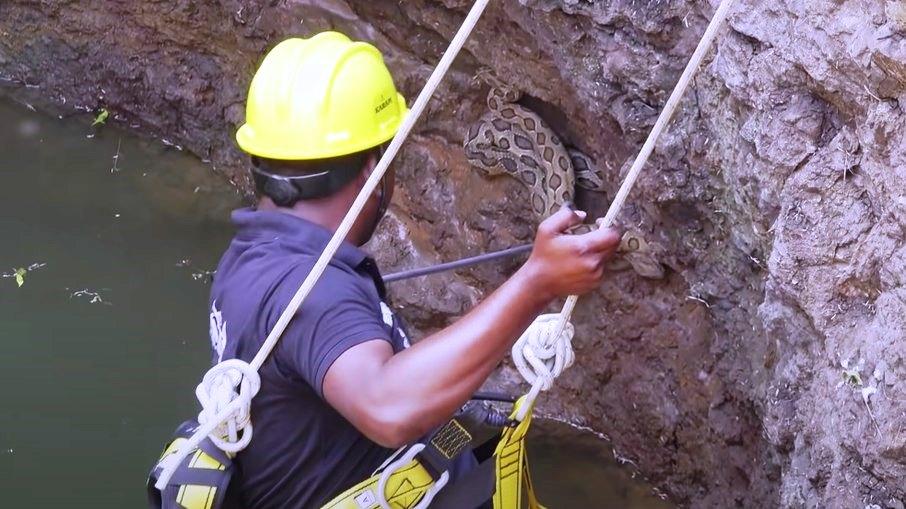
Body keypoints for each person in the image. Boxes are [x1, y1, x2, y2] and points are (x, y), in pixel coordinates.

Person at [210, 31, 621, 508]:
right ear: (371, 169)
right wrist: (536, 283)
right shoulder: (312, 294)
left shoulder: (248, 259)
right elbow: (387, 407)